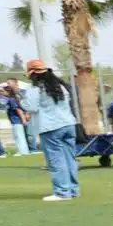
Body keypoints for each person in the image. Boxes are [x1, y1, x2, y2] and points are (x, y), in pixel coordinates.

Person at [21, 60, 79, 201]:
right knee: (70, 159)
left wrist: (20, 99)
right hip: (68, 124)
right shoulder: (61, 86)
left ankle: (62, 192)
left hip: (51, 127)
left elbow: (30, 107)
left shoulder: (35, 88)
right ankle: (73, 190)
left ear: (33, 74)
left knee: (56, 160)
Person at [2, 79, 29, 156]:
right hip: (15, 120)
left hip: (16, 120)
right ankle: (23, 151)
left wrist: (23, 120)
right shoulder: (12, 97)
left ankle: (23, 152)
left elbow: (18, 110)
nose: (4, 91)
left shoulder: (12, 99)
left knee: (19, 137)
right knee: (18, 136)